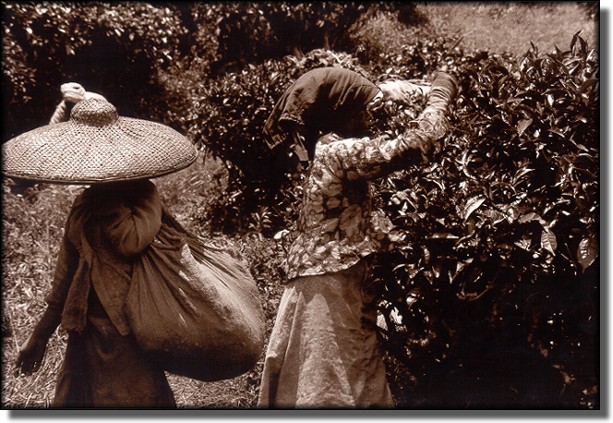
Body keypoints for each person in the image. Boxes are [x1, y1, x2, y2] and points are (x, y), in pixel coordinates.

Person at [257, 71, 458, 408]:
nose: (368, 117)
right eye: (361, 109)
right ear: (343, 112)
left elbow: (384, 94)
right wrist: (440, 98)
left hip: (321, 284)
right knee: (333, 388)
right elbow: (416, 145)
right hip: (329, 290)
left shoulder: (322, 149)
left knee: (334, 380)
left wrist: (418, 89)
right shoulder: (338, 153)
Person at [7, 97, 198, 407]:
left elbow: (131, 241)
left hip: (130, 335)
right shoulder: (84, 204)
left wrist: (111, 200)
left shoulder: (144, 194)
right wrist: (38, 337)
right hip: (86, 334)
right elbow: (64, 280)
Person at [263, 66, 430, 163]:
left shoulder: (364, 97)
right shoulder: (302, 106)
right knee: (303, 151)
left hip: (324, 95)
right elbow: (297, 132)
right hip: (312, 91)